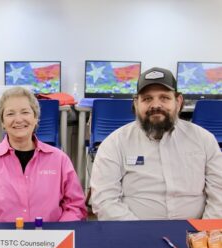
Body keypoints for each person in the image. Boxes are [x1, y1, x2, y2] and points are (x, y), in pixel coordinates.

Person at [90, 67, 222, 220]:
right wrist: (139, 235)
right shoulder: (114, 143)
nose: (156, 105)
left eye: (164, 98)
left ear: (178, 101)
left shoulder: (204, 140)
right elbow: (104, 200)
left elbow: (219, 194)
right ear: (136, 103)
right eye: (147, 99)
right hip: (134, 236)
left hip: (196, 235)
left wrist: (203, 234)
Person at [0, 87, 87, 222]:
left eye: (25, 112)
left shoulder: (59, 159)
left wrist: (58, 236)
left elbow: (75, 207)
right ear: (2, 122)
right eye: (10, 114)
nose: (18, 119)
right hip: (1, 240)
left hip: (50, 240)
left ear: (35, 118)